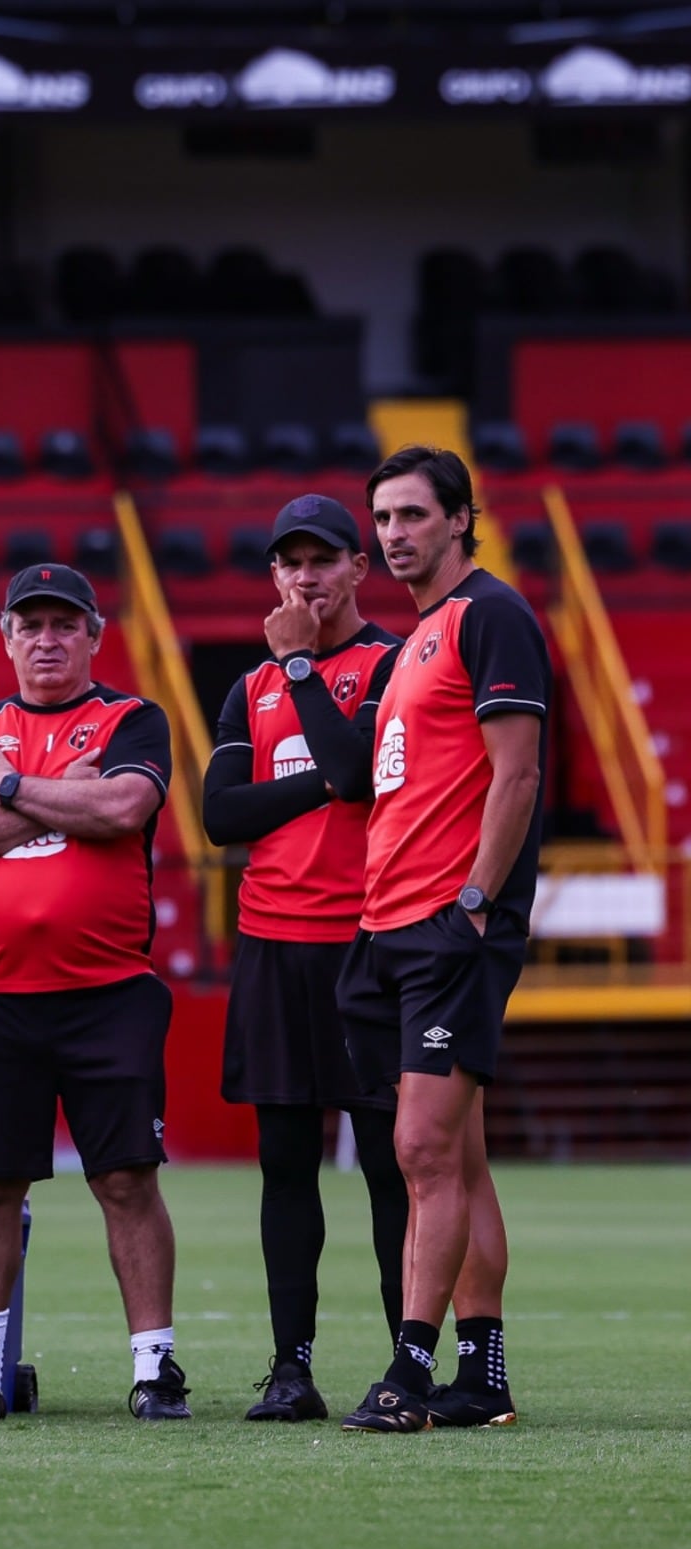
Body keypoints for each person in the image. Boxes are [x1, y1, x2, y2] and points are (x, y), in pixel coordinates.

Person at [0, 562, 190, 1422]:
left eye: (63, 624)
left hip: (109, 991)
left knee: (126, 1180)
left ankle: (155, 1370)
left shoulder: (132, 717)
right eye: (29, 624)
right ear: (6, 636)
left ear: (93, 636)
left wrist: (6, 789)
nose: (46, 639)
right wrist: (55, 796)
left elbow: (122, 811)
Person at [337, 446, 550, 1433]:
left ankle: (408, 1375)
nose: (392, 533)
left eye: (412, 514)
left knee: (418, 1146)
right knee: (453, 1159)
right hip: (391, 925)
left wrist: (472, 900)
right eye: (381, 516)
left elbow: (514, 774)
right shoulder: (416, 637)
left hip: (445, 928)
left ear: (460, 518)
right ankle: (485, 1375)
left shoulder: (488, 614)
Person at [203, 493, 407, 1423]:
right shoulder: (247, 688)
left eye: (323, 559)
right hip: (274, 944)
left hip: (371, 942)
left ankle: (411, 1361)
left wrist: (298, 671)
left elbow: (360, 771)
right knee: (285, 1163)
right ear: (273, 576)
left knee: (389, 1165)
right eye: (290, 562)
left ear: (359, 569)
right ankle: (292, 1369)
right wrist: (319, 783)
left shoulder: (395, 664)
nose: (306, 576)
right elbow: (220, 819)